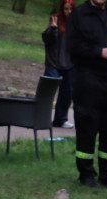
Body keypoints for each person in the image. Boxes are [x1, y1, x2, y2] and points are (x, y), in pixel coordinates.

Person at [66, 0, 107, 188]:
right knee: (87, 127)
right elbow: (72, 46)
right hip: (87, 78)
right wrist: (99, 52)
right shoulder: (78, 16)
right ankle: (86, 174)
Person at [42, 0, 76, 129]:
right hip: (54, 63)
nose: (69, 12)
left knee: (67, 92)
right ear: (62, 9)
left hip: (69, 64)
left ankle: (60, 120)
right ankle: (41, 118)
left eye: (71, 9)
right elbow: (46, 39)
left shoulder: (76, 23)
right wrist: (54, 29)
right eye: (66, 9)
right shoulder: (55, 19)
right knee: (47, 91)